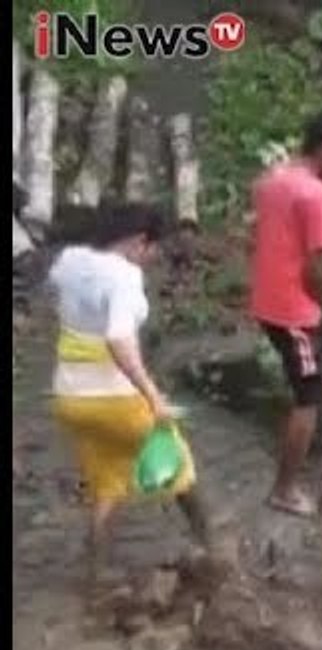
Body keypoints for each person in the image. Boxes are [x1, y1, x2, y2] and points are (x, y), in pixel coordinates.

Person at [48, 202, 213, 589]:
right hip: (112, 396)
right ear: (141, 242)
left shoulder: (69, 259)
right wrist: (153, 395)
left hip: (70, 397)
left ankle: (95, 577)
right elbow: (118, 339)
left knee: (107, 483)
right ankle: (214, 551)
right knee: (181, 467)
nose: (153, 260)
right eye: (154, 250)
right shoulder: (124, 276)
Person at [249, 112, 322, 517]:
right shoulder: (314, 194)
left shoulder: (270, 179)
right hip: (295, 311)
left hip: (267, 302)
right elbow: (315, 268)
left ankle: (304, 465)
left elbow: (258, 235)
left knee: (304, 386)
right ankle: (285, 489)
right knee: (309, 397)